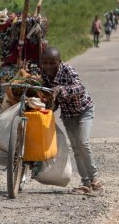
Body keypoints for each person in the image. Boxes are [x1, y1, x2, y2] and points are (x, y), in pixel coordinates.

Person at [37, 47, 102, 193]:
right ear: (41, 63)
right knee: (76, 149)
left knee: (83, 142)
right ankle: (86, 183)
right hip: (67, 115)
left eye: (52, 63)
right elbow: (51, 100)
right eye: (45, 63)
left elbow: (80, 87)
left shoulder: (67, 70)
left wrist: (61, 89)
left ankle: (95, 179)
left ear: (59, 62)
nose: (49, 66)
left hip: (84, 110)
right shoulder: (44, 76)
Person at [0, 8, 48, 112]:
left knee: (43, 84)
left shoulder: (36, 37)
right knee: (0, 81)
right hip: (13, 66)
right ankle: (1, 106)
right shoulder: (8, 33)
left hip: (32, 66)